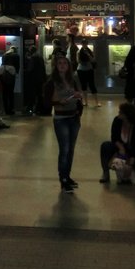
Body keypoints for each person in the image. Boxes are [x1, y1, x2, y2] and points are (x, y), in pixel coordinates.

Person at [43, 55, 83, 193]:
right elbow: (46, 102)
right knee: (64, 149)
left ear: (68, 66)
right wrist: (58, 102)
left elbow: (78, 96)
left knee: (71, 149)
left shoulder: (72, 80)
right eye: (59, 63)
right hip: (61, 119)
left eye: (64, 63)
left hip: (74, 117)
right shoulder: (52, 82)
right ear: (56, 66)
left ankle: (67, 176)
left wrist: (78, 100)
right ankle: (63, 179)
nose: (62, 65)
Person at [99, 102, 135, 185]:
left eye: (121, 112)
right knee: (105, 146)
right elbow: (114, 137)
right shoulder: (117, 120)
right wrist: (121, 148)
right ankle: (105, 173)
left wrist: (131, 161)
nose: (118, 113)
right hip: (119, 147)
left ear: (127, 115)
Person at [75, 39, 101, 107]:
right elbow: (78, 61)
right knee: (83, 86)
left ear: (87, 44)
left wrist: (88, 55)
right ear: (82, 44)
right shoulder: (78, 52)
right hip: (81, 69)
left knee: (92, 85)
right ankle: (85, 102)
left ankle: (97, 102)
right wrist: (82, 59)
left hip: (89, 69)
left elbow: (93, 60)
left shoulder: (90, 51)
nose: (84, 45)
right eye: (83, 43)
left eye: (85, 43)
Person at [23, 44, 47, 116]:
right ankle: (40, 109)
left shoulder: (33, 57)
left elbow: (30, 68)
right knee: (39, 95)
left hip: (33, 79)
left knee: (32, 95)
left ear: (31, 51)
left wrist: (25, 71)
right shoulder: (40, 56)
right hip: (40, 79)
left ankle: (30, 109)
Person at [0, 45, 20, 115]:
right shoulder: (16, 55)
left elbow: (2, 63)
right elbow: (17, 66)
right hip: (11, 74)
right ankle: (11, 109)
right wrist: (16, 72)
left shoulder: (4, 55)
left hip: (3, 73)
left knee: (4, 93)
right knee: (10, 92)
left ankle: (5, 109)